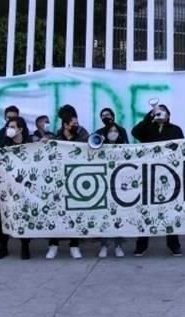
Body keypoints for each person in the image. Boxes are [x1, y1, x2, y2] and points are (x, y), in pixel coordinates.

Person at [131, 103, 185, 256]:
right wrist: (149, 117)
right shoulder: (147, 128)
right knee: (146, 209)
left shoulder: (175, 129)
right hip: (149, 174)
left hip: (169, 175)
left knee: (170, 209)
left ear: (168, 115)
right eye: (158, 113)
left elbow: (182, 148)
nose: (160, 115)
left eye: (163, 112)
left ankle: (174, 244)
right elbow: (135, 132)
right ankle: (141, 245)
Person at [47, 106, 89, 259]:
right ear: (65, 125)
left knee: (75, 213)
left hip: (77, 179)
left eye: (77, 123)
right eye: (73, 123)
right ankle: (53, 245)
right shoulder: (56, 137)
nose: (76, 126)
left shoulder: (82, 134)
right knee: (56, 213)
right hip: (59, 181)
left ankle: (74, 245)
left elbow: (89, 148)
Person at [0, 117, 32, 260]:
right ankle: (2, 247)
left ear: (20, 129)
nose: (9, 129)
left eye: (13, 126)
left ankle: (25, 246)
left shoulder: (29, 144)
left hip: (24, 189)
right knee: (4, 216)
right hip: (7, 188)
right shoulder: (4, 145)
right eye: (8, 126)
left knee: (24, 216)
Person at [94, 107, 128, 258]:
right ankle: (104, 245)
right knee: (104, 214)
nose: (105, 118)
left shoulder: (122, 132)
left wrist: (115, 127)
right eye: (103, 116)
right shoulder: (99, 134)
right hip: (103, 181)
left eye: (108, 115)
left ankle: (118, 245)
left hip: (119, 181)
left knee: (118, 214)